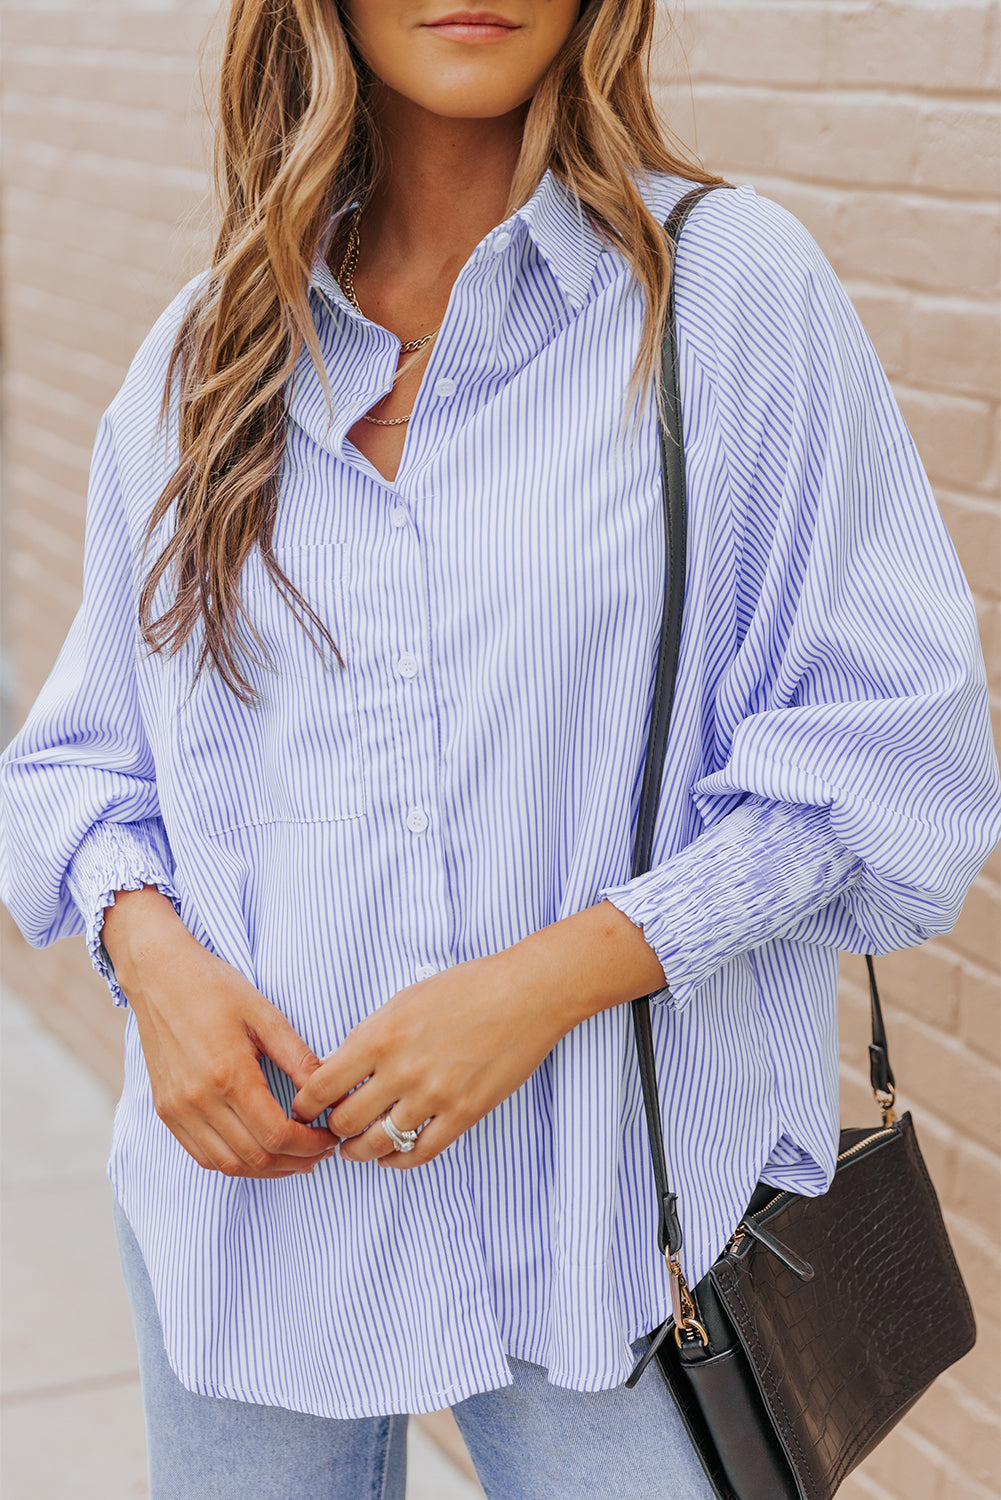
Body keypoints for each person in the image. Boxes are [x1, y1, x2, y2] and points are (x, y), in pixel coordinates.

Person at [1, 0, 999, 1493]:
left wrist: (547, 982)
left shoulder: (723, 296)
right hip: (251, 1222)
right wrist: (153, 962)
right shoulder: (209, 356)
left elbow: (889, 757)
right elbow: (81, 755)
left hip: (603, 1233)